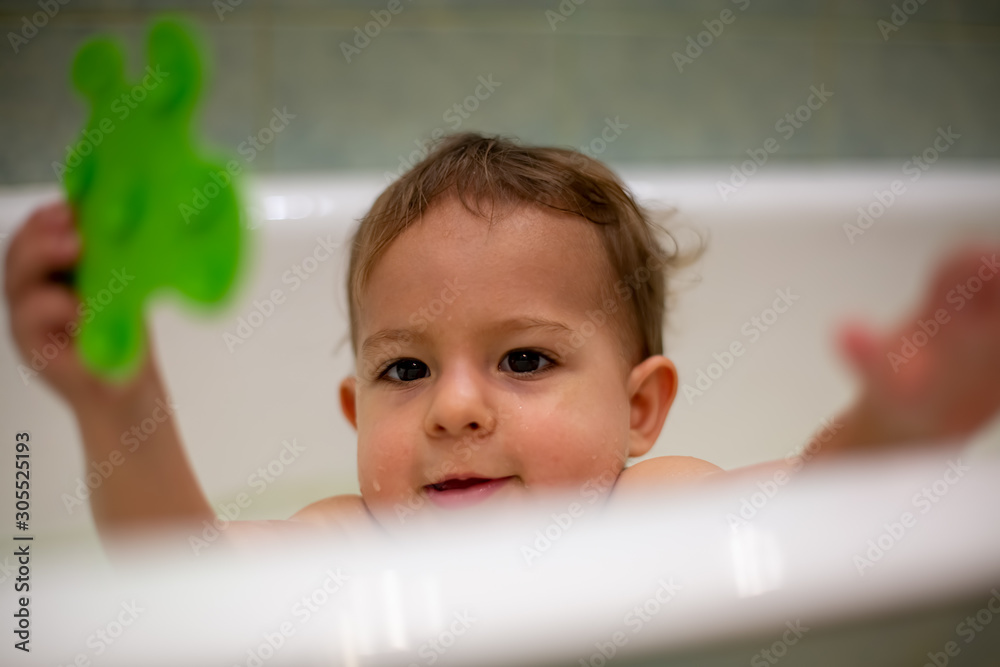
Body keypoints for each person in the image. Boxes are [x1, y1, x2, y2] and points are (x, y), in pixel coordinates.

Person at [5, 132, 999, 545]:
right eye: (405, 368)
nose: (455, 407)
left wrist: (893, 424)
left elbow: (816, 516)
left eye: (525, 358)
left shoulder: (647, 513)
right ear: (354, 409)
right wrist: (117, 403)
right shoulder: (350, 539)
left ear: (640, 407)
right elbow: (186, 593)